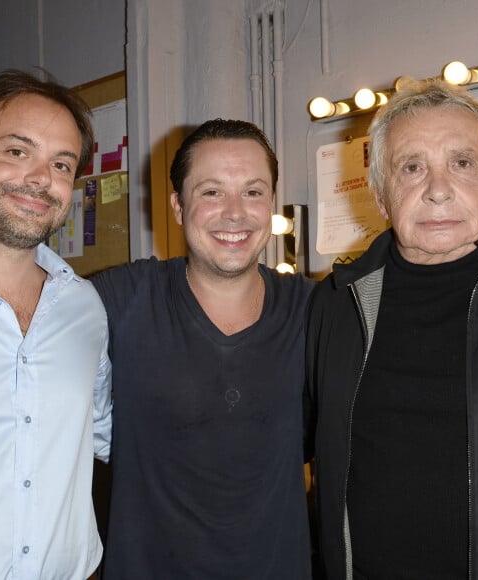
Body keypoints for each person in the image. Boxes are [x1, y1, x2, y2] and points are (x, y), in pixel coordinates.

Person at [305, 78, 478, 579]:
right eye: (412, 167)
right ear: (381, 194)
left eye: (462, 163)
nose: (439, 189)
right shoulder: (336, 303)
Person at [91, 119, 314, 579]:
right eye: (211, 192)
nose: (235, 212)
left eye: (253, 192)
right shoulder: (124, 298)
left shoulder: (314, 310)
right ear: (177, 205)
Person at [0, 70, 112, 579]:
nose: (42, 178)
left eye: (61, 163)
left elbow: (109, 431)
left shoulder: (85, 308)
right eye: (18, 152)